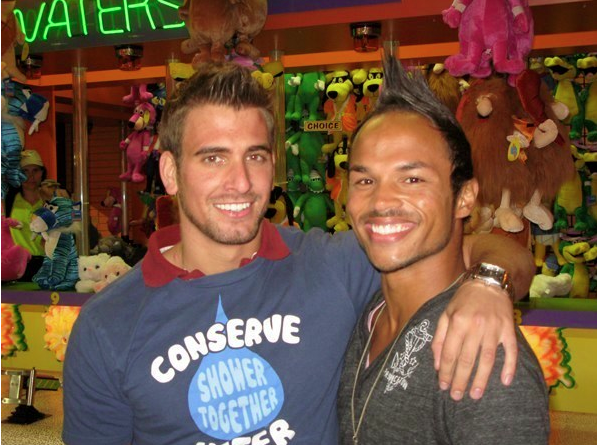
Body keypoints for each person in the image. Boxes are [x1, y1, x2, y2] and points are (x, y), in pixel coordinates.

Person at [62, 61, 535, 445]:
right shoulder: (108, 325)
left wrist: (488, 283)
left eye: (255, 156)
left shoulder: (332, 263)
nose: (240, 182)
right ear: (170, 173)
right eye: (213, 157)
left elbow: (472, 245)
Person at [337, 55, 549, 444]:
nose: (381, 201)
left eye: (412, 179)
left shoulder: (483, 355)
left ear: (465, 197)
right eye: (365, 181)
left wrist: (490, 282)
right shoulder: (373, 311)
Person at [4, 149, 47, 280]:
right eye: (25, 171)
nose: (30, 176)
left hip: (45, 266)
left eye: (35, 170)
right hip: (15, 266)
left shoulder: (50, 200)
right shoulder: (8, 200)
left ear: (42, 173)